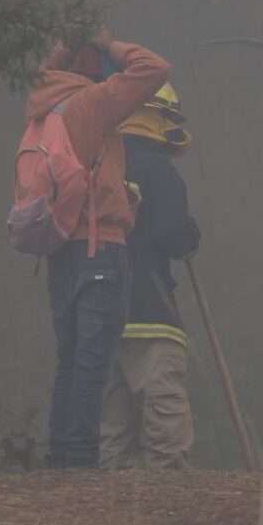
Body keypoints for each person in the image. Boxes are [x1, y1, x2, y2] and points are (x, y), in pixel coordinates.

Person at [24, 28, 171, 468]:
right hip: (99, 247)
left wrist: (70, 40)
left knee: (69, 361)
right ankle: (82, 464)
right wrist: (112, 44)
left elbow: (46, 68)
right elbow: (156, 69)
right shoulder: (93, 103)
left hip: (59, 249)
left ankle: (62, 458)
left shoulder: (43, 105)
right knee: (93, 362)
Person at [100, 82, 200, 470]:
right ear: (160, 120)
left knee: (113, 437)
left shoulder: (102, 167)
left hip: (102, 318)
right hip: (151, 316)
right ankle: (169, 506)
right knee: (165, 428)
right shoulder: (159, 171)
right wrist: (192, 233)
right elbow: (173, 235)